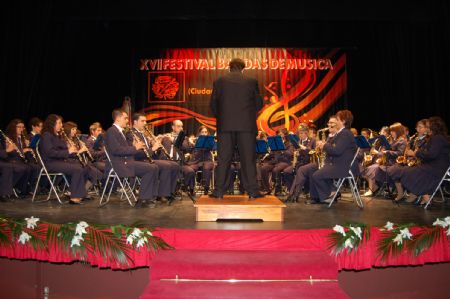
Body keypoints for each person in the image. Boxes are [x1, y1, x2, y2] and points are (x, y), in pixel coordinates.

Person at [209, 58, 264, 199]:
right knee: (248, 159)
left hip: (225, 127)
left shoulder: (219, 81)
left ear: (229, 67)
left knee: (223, 159)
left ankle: (219, 191)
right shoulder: (251, 81)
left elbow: (213, 105)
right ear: (243, 68)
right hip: (246, 127)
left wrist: (222, 118)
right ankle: (252, 192)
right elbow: (258, 104)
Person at [104, 109, 159, 207]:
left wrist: (133, 146)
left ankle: (149, 197)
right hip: (120, 164)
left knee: (154, 167)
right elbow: (116, 151)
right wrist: (135, 147)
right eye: (125, 118)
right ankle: (143, 199)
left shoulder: (118, 131)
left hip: (126, 161)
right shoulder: (112, 131)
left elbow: (123, 149)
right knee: (150, 168)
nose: (127, 121)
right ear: (118, 118)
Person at [392, 116, 450, 205]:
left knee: (405, 172)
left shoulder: (437, 138)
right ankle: (424, 196)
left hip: (435, 169)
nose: (426, 128)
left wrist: (415, 153)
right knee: (405, 171)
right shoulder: (437, 137)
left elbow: (431, 154)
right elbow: (430, 153)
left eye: (427, 126)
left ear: (433, 127)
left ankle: (423, 196)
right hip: (433, 166)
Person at [128, 113, 179, 203]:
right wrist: (153, 148)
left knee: (175, 165)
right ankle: (162, 194)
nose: (145, 123)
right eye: (142, 121)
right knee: (167, 166)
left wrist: (156, 146)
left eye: (145, 121)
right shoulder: (131, 134)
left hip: (147, 158)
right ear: (135, 122)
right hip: (139, 160)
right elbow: (137, 154)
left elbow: (150, 152)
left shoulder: (143, 134)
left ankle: (170, 192)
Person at [309, 110, 357, 204]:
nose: (335, 122)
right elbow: (334, 150)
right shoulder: (341, 133)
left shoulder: (346, 134)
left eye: (337, 120)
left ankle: (330, 194)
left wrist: (324, 145)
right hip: (337, 163)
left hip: (343, 166)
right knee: (315, 171)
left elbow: (337, 151)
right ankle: (331, 192)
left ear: (343, 121)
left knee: (316, 175)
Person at [39, 114, 89, 204]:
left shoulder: (57, 136)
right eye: (59, 123)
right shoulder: (47, 135)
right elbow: (50, 153)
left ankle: (73, 191)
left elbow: (62, 150)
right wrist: (68, 151)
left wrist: (71, 149)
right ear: (52, 124)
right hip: (50, 163)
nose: (61, 125)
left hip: (59, 161)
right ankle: (75, 196)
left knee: (84, 167)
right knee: (77, 169)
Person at [185, 126, 215, 195]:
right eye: (202, 132)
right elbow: (189, 150)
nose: (204, 133)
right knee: (191, 169)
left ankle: (206, 188)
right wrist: (191, 143)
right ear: (199, 133)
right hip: (196, 160)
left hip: (207, 159)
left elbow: (213, 147)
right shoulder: (195, 140)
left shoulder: (210, 140)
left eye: (205, 132)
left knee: (206, 167)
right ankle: (191, 188)